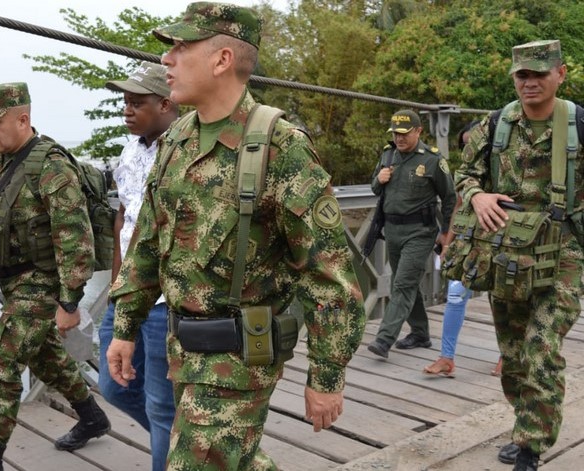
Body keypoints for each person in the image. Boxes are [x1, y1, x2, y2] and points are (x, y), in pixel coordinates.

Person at [106, 3, 366, 470]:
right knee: (234, 462)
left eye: (181, 47)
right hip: (182, 349)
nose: (167, 59)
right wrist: (125, 326)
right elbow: (148, 243)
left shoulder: (281, 147)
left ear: (222, 59)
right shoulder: (177, 139)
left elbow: (329, 275)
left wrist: (327, 375)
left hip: (240, 359)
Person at [0, 82, 110, 471]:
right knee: (46, 358)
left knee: (1, 364)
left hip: (42, 281)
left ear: (22, 119)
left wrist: (70, 302)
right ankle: (92, 417)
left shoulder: (51, 166)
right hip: (12, 279)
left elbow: (76, 239)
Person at [454, 40, 584, 471]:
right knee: (512, 354)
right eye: (522, 75)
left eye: (539, 74)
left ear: (560, 74)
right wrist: (477, 196)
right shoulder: (495, 124)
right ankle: (524, 422)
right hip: (506, 251)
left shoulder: (579, 124)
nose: (529, 82)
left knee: (540, 346)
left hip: (562, 251)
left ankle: (531, 446)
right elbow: (464, 174)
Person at [98, 61, 179, 471]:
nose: (126, 110)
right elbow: (124, 218)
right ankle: (189, 449)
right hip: (128, 295)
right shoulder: (131, 150)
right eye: (125, 102)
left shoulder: (185, 151)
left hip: (165, 300)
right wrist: (117, 287)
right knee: (114, 387)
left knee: (162, 404)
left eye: (137, 103)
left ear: (165, 104)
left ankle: (181, 451)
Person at [367, 110, 457, 359]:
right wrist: (379, 180)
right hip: (392, 231)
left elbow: (450, 198)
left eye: (404, 133)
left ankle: (384, 339)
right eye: (395, 133)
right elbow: (374, 188)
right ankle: (420, 333)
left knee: (403, 284)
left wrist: (446, 233)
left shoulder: (432, 160)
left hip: (420, 232)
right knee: (406, 282)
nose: (399, 138)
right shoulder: (388, 155)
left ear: (418, 131)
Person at [423, 121, 478, 377]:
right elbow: (457, 206)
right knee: (456, 293)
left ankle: (507, 357)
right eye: (464, 144)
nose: (468, 148)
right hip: (468, 241)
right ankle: (446, 357)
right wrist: (447, 241)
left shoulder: (505, 167)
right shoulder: (466, 173)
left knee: (502, 299)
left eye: (473, 143)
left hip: (498, 241)